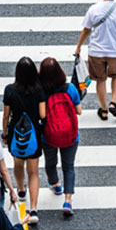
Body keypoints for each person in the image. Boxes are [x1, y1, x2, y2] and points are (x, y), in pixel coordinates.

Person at [2, 57, 45, 224]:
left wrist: (5, 134)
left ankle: (21, 191)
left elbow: (6, 115)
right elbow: (43, 115)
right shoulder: (39, 90)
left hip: (15, 133)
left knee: (18, 164)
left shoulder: (10, 90)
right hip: (33, 134)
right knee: (33, 172)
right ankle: (33, 209)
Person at [39, 57, 82, 218]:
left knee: (50, 162)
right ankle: (68, 201)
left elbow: (42, 114)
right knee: (68, 166)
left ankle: (56, 184)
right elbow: (79, 111)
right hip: (70, 134)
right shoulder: (69, 88)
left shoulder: (42, 90)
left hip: (49, 134)